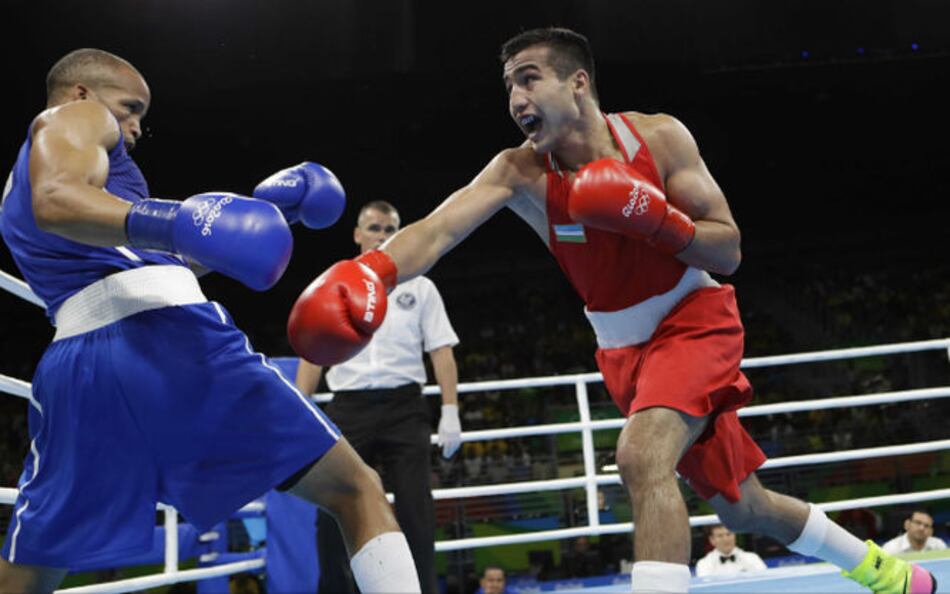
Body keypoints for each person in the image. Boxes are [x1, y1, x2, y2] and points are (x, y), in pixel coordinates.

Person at [287, 27, 938, 594]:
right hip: (624, 352)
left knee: (640, 457)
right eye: (508, 84)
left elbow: (730, 248)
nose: (515, 98)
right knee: (746, 509)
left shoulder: (658, 138)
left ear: (578, 83)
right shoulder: (521, 171)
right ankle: (885, 573)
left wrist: (657, 221)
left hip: (694, 322)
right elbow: (435, 229)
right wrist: (370, 269)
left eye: (529, 78)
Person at [0, 48, 420, 593]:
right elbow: (58, 201)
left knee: (29, 572)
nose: (134, 128)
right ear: (82, 93)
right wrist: (178, 219)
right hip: (169, 344)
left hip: (77, 371)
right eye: (129, 109)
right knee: (356, 489)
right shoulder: (72, 119)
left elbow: (145, 259)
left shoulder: (38, 183)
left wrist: (261, 213)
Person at [295, 200, 461, 594]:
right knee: (334, 505)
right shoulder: (332, 281)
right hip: (349, 408)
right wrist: (299, 408)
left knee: (415, 509)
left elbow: (441, 348)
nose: (382, 237)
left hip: (406, 408)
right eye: (374, 228)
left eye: (390, 230)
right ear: (357, 234)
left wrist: (451, 410)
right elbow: (313, 350)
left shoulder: (420, 286)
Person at [694, 524, 767, 577]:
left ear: (735, 536)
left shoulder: (752, 558)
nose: (726, 539)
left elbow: (764, 583)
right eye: (720, 536)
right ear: (712, 540)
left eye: (729, 534)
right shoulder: (704, 564)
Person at [882, 511, 947, 555]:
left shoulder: (938, 546)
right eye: (917, 523)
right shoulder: (890, 549)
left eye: (926, 526)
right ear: (907, 525)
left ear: (931, 531)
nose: (921, 528)